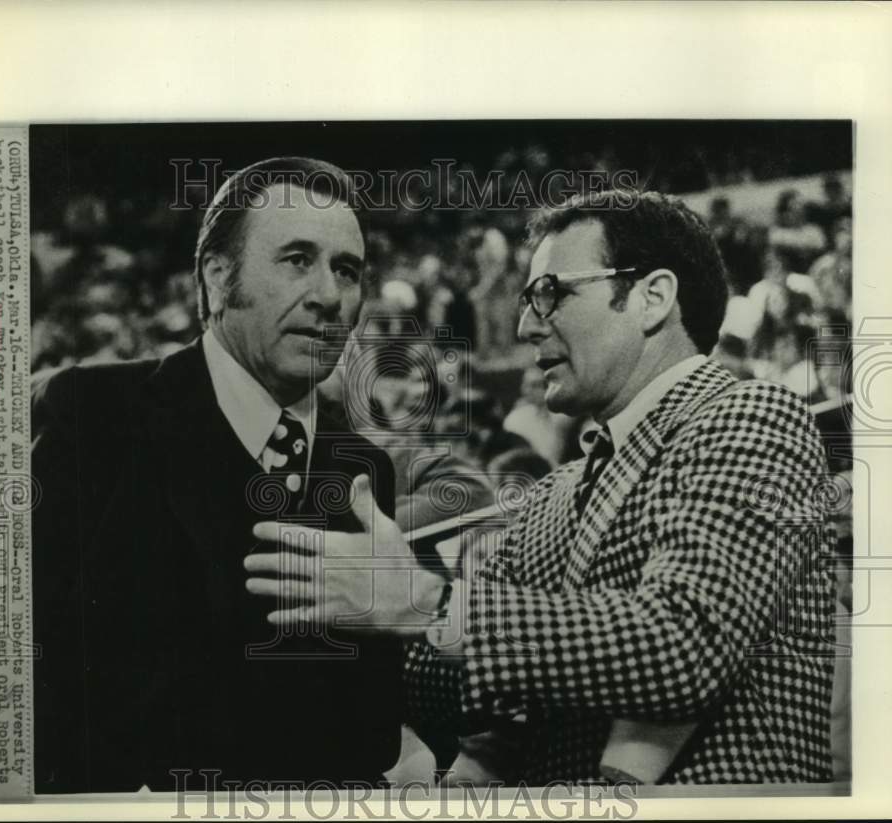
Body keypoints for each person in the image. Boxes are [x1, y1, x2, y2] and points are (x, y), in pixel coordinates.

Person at [245, 190, 836, 784]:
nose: (527, 325)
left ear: (652, 298)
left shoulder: (754, 415)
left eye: (551, 293)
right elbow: (459, 698)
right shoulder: (553, 493)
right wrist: (342, 602)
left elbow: (684, 644)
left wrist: (428, 603)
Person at [31, 157, 404, 792]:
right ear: (216, 278)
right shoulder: (92, 414)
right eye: (296, 259)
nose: (328, 294)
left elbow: (370, 737)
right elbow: (25, 677)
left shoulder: (365, 470)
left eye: (347, 269)